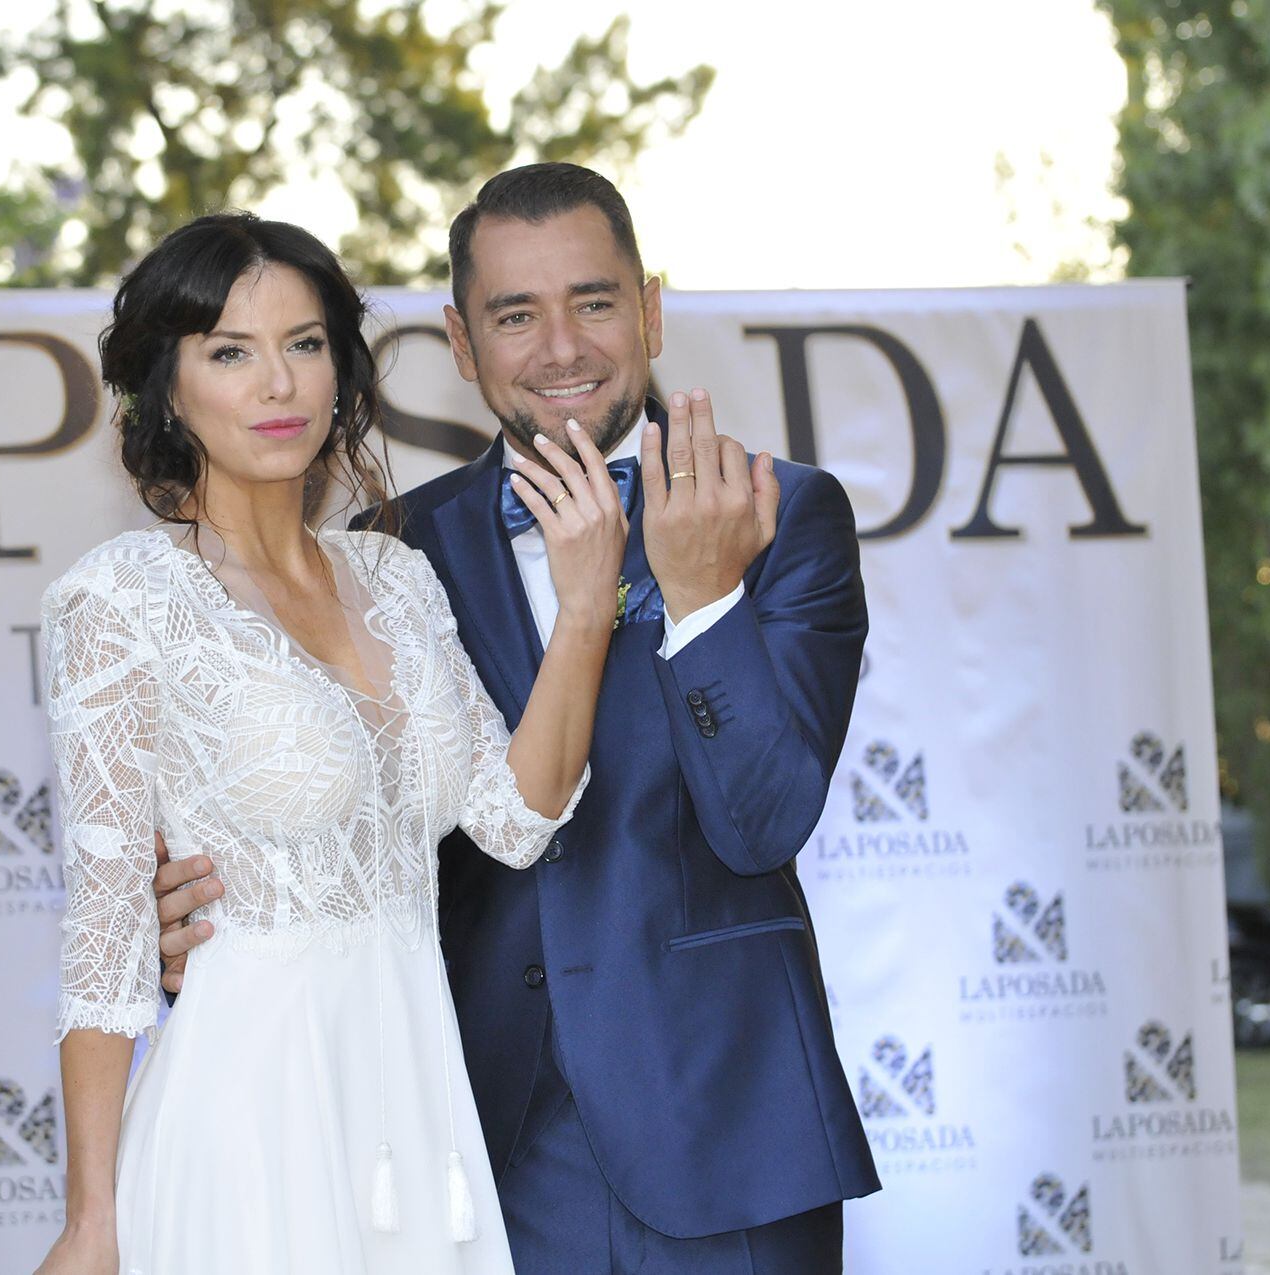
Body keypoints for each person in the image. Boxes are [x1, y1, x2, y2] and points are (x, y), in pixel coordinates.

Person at [155, 164, 881, 1273]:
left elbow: (764, 822)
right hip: (472, 1138)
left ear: (650, 308)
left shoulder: (779, 514)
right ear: (461, 340)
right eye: (515, 315)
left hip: (725, 1127)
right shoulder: (386, 553)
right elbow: (350, 816)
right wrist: (213, 909)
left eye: (593, 302)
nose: (561, 349)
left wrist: (704, 600)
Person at [34, 210, 632, 1275]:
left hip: (411, 1100)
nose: (279, 385)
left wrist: (585, 612)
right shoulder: (121, 600)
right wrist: (92, 1221)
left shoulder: (396, 580)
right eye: (230, 352)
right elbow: (106, 939)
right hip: (248, 1112)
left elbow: (514, 822)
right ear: (168, 388)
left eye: (304, 345)